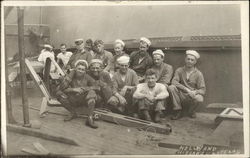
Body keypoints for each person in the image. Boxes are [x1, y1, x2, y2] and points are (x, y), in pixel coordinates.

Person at [55, 60, 99, 128]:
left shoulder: (87, 77)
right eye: (79, 69)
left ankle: (90, 118)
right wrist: (74, 89)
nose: (80, 71)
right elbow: (61, 88)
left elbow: (97, 87)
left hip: (83, 99)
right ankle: (73, 112)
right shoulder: (70, 76)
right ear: (75, 69)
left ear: (85, 71)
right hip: (72, 98)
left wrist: (84, 89)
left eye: (82, 69)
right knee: (59, 93)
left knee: (92, 92)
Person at [168, 50, 206, 120]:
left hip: (191, 95)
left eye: (192, 60)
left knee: (199, 98)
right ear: (185, 60)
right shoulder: (179, 70)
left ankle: (191, 111)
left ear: (195, 62)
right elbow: (174, 82)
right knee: (171, 87)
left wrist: (195, 92)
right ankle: (178, 110)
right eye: (188, 59)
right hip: (180, 94)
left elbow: (202, 90)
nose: (189, 61)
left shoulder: (198, 74)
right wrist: (186, 89)